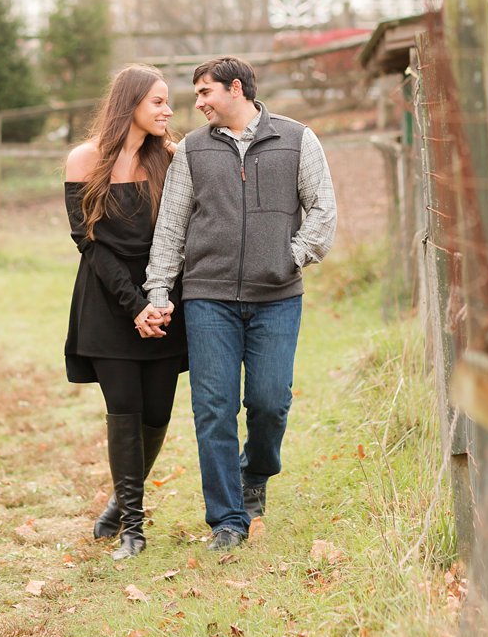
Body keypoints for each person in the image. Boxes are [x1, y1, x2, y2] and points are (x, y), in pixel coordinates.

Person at [138, 55, 336, 552]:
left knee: (270, 403)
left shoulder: (296, 139)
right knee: (213, 408)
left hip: (277, 298)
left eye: (205, 92)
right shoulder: (192, 152)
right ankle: (227, 519)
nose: (198, 103)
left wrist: (287, 258)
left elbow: (322, 212)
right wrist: (159, 290)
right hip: (208, 298)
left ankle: (257, 471)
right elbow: (172, 227)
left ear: (234, 88)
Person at [63, 64, 187, 561]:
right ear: (130, 102)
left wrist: (156, 302)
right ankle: (133, 527)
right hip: (107, 303)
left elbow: (178, 235)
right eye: (158, 101)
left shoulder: (173, 161)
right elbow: (88, 242)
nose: (168, 110)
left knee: (157, 413)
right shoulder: (84, 160)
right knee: (124, 411)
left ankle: (120, 498)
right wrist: (133, 306)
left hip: (164, 302)